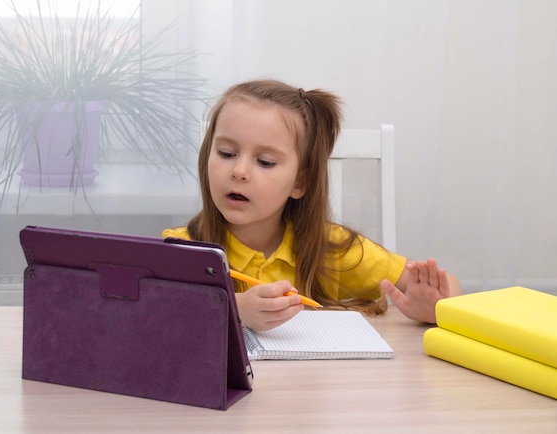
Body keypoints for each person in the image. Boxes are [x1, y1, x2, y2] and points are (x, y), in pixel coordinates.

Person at [162, 79, 462, 331]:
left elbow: (446, 285)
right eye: (226, 153)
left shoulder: (331, 248)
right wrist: (234, 308)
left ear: (300, 183)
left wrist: (434, 308)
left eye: (265, 161)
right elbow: (151, 315)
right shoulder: (181, 247)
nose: (238, 171)